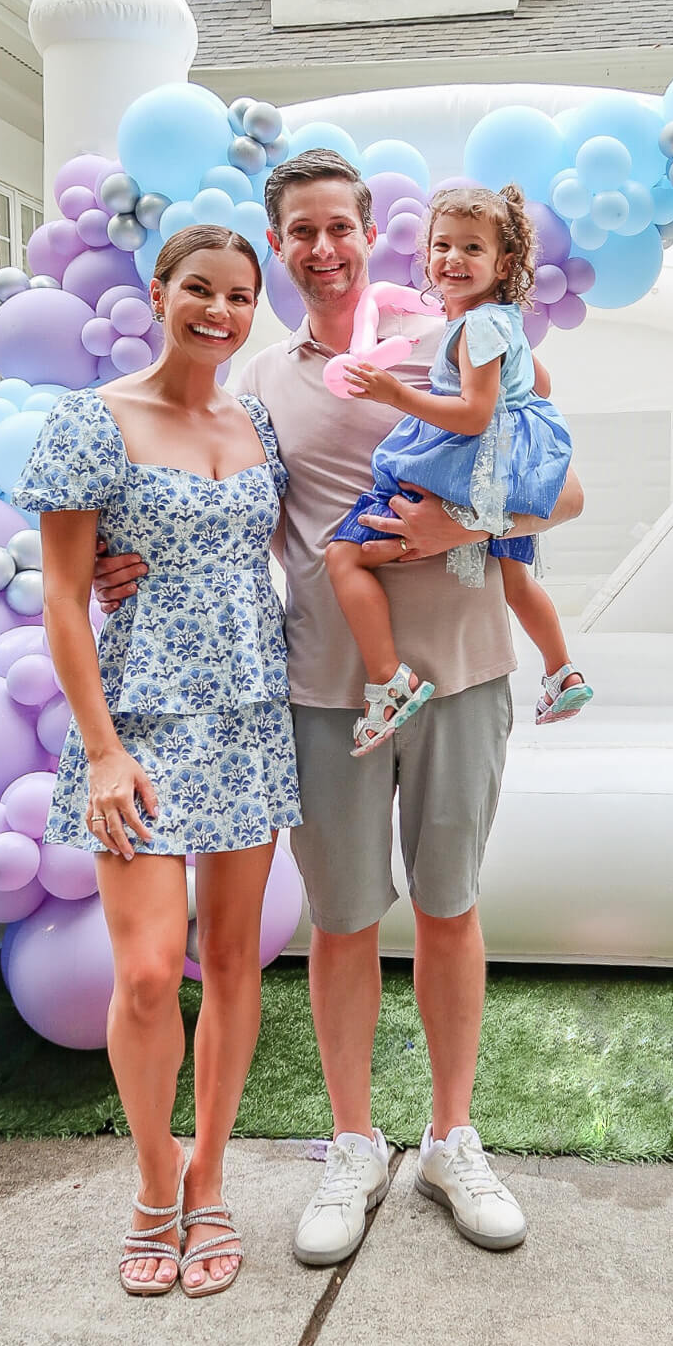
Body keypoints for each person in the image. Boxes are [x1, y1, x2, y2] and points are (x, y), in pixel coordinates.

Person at [93, 150, 583, 1267]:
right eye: (300, 230)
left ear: (374, 235)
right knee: (346, 920)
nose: (322, 247)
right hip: (323, 691)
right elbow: (211, 504)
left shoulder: (471, 340)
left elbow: (564, 484)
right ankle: (354, 1141)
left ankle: (452, 1137)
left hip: (460, 674)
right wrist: (115, 563)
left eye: (341, 227)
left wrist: (454, 532)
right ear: (282, 247)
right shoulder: (261, 381)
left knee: (451, 909)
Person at [12, 225, 301, 1300]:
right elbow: (61, 595)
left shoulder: (257, 419)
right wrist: (100, 751)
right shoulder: (93, 420)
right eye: (198, 290)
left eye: (237, 295)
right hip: (136, 725)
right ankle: (152, 1180)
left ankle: (212, 1177)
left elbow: (289, 547)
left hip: (249, 715)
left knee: (230, 965)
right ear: (157, 292)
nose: (218, 312)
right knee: (142, 974)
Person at [325, 184, 592, 755]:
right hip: (508, 476)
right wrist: (519, 429)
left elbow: (472, 416)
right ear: (425, 256)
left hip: (467, 475)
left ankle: (390, 680)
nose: (453, 258)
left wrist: (397, 394)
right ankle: (562, 670)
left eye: (472, 248)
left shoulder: (475, 328)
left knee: (343, 555)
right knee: (516, 581)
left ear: (505, 263)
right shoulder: (504, 322)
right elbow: (540, 386)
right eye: (442, 245)